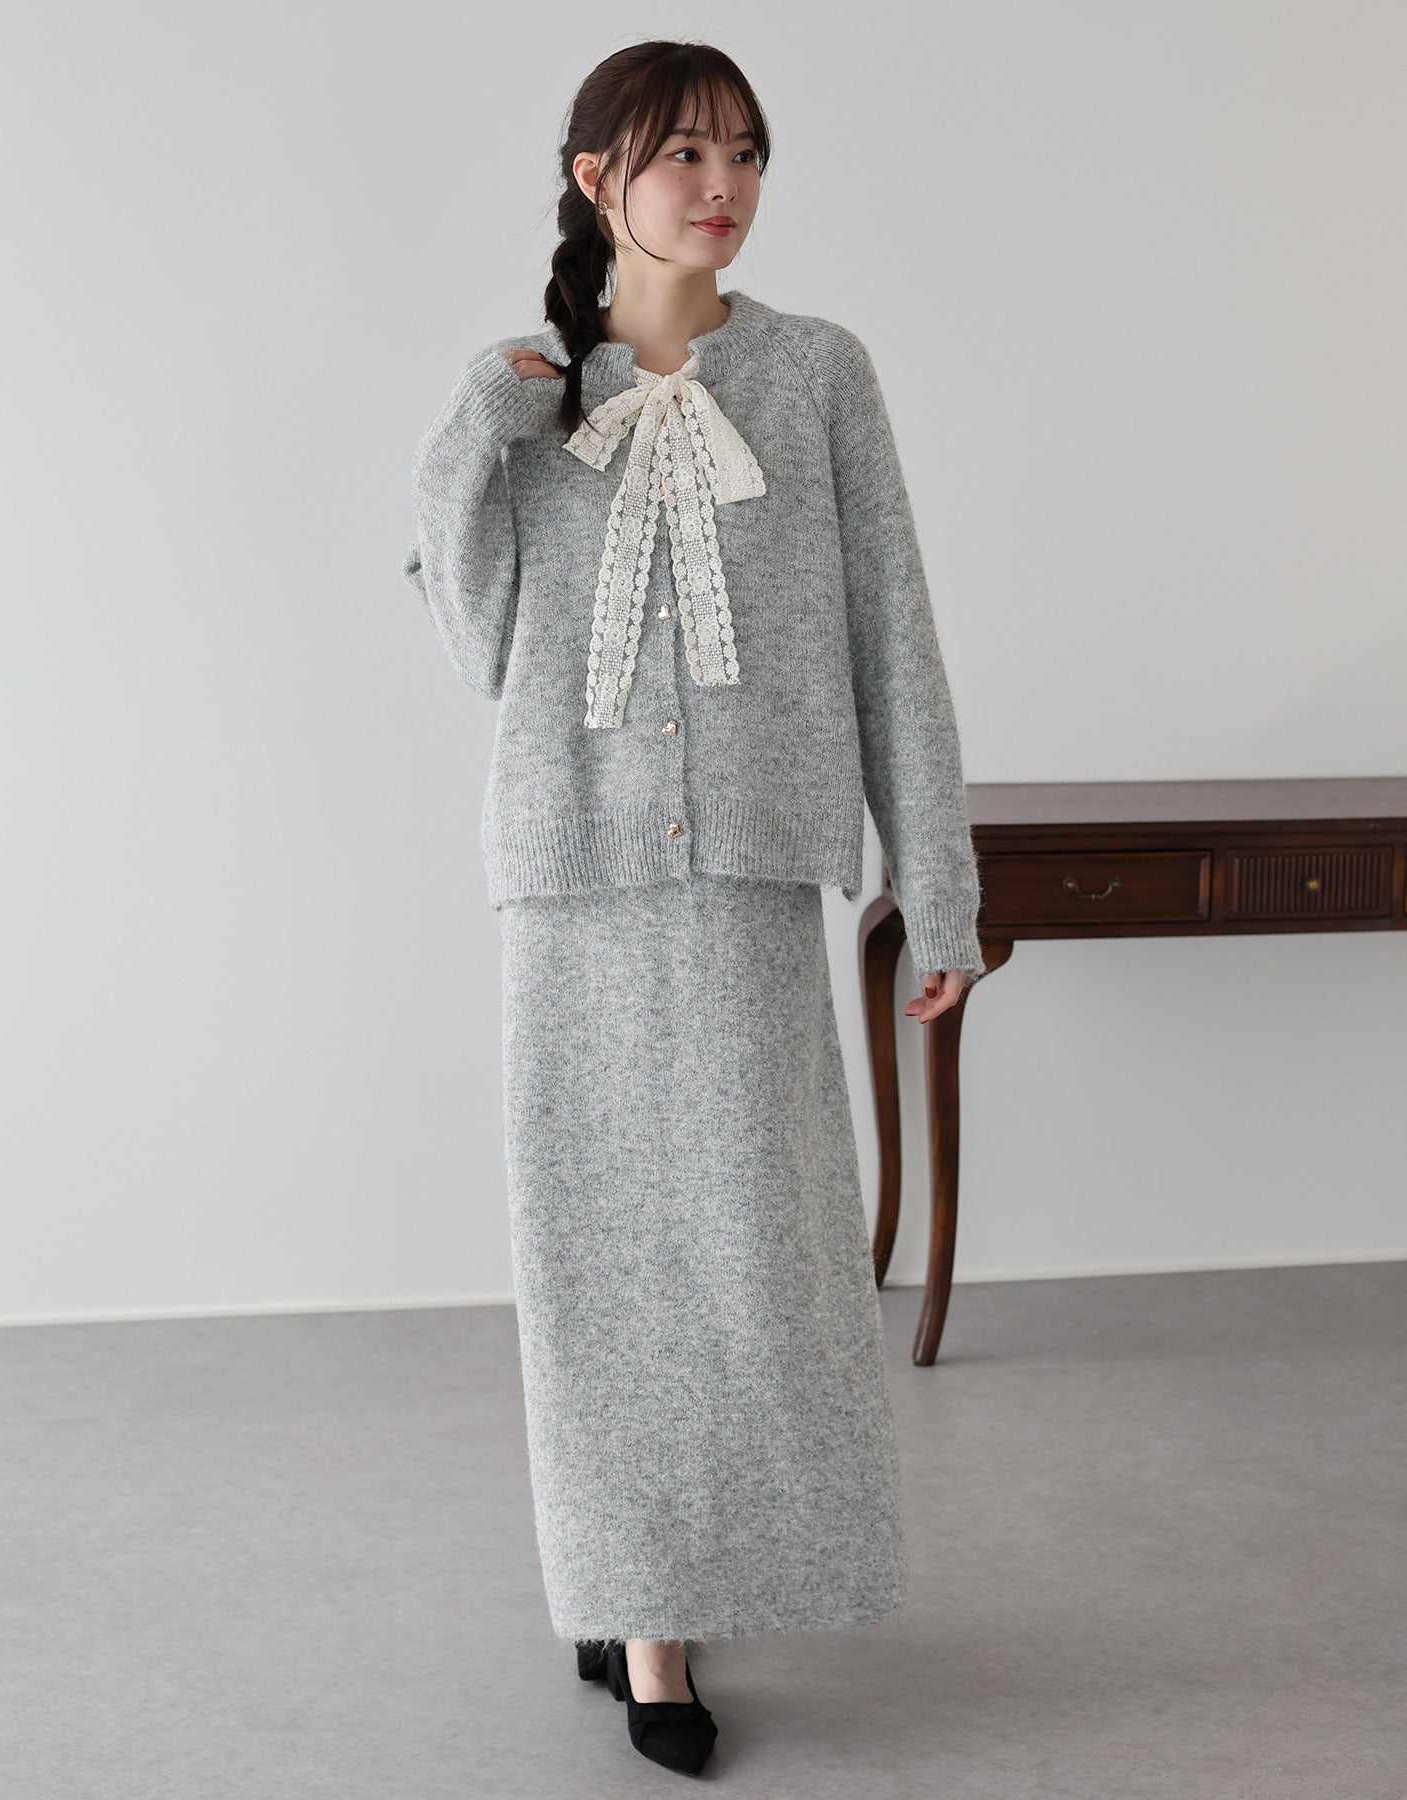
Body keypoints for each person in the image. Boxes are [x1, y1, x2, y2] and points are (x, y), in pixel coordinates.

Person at [402, 40, 985, 1779]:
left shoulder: (817, 375)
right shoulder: (533, 394)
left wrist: (937, 881)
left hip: (744, 875)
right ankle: (642, 1624)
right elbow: (475, 641)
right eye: (683, 155)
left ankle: (681, 1570)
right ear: (599, 179)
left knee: (751, 1260)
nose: (721, 186)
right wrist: (484, 425)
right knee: (598, 1269)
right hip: (571, 880)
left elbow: (893, 633)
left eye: (744, 154)